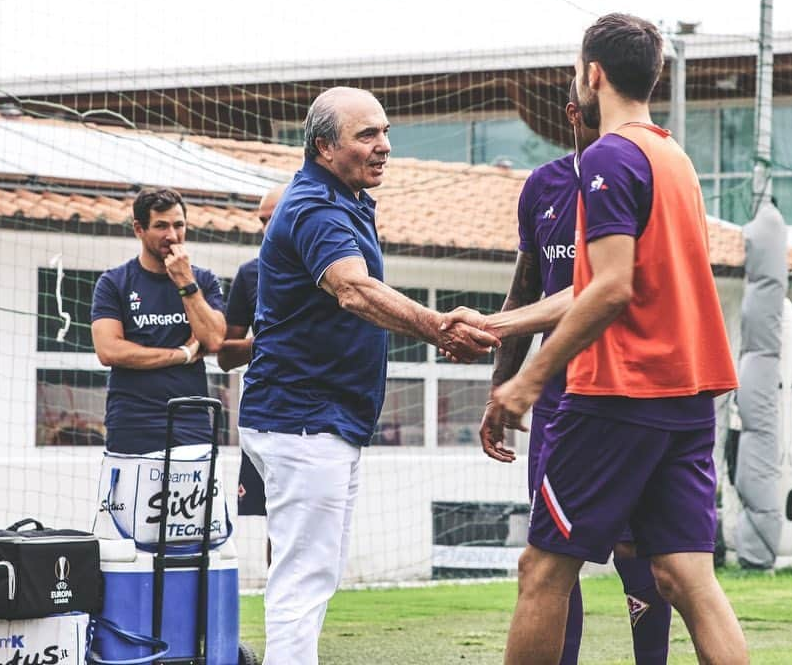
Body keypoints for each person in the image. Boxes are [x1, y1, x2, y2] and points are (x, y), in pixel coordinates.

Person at [470, 14, 747, 665]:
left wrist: (528, 381)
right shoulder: (671, 156)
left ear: (591, 75)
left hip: (619, 394)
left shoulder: (608, 156)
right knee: (687, 579)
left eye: (576, 68)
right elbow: (623, 281)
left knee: (542, 570)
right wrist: (506, 330)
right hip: (686, 400)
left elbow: (611, 287)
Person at [238, 86, 499, 665]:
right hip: (302, 424)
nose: (385, 146)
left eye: (385, 132)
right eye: (367, 135)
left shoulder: (344, 198)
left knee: (312, 572)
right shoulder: (315, 207)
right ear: (325, 146)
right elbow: (354, 290)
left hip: (318, 423)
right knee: (303, 580)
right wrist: (439, 327)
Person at [479, 80, 671, 665]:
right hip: (560, 405)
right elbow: (526, 290)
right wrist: (501, 387)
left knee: (640, 552)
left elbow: (614, 288)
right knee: (553, 558)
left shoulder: (649, 172)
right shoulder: (544, 187)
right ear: (575, 114)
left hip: (631, 397)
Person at [91, 187, 227, 454]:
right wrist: (182, 354)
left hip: (190, 423)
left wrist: (185, 282)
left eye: (179, 225)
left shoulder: (204, 280)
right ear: (139, 229)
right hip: (131, 425)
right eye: (161, 226)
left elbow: (213, 339)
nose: (172, 235)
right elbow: (109, 351)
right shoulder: (113, 282)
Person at [217, 183, 286, 563]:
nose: (266, 228)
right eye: (262, 221)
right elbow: (225, 356)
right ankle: (279, 617)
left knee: (310, 527)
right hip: (266, 414)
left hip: (322, 417)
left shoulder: (332, 266)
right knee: (278, 520)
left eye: (273, 218)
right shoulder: (251, 275)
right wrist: (273, 342)